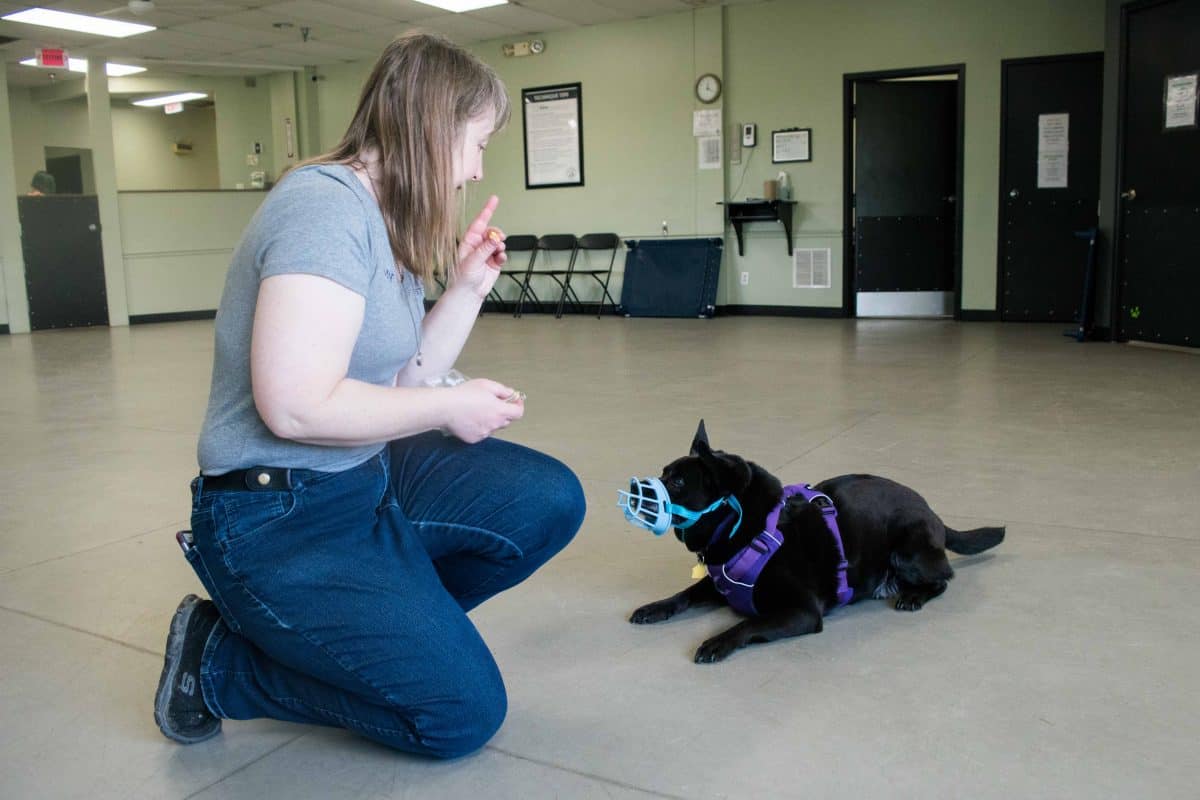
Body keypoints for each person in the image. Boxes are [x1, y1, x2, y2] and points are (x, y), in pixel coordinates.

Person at [153, 32, 586, 758]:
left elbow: (403, 379)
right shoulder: (322, 210)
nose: (476, 169)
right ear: (432, 128)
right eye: (477, 144)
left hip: (363, 478)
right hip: (276, 513)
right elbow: (295, 406)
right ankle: (221, 663)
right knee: (460, 717)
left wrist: (469, 289)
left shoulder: (388, 219)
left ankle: (392, 635)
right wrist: (450, 408)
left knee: (547, 499)